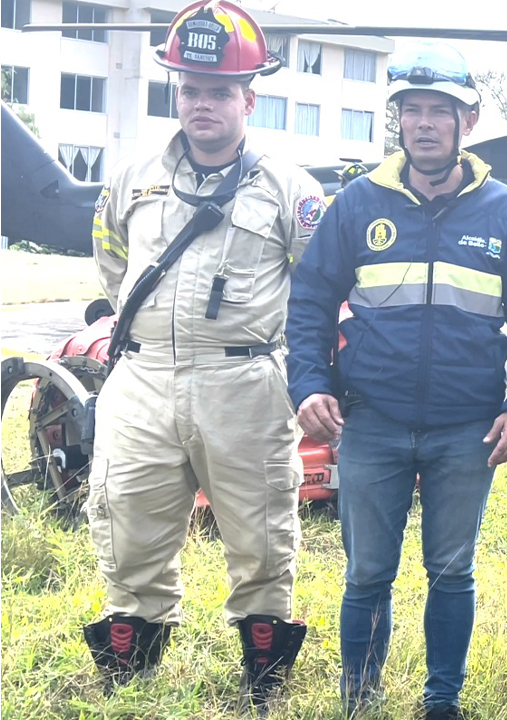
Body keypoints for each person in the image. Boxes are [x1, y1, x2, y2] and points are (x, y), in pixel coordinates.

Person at [285, 41, 507, 719]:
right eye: (413, 110)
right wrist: (308, 384)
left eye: (442, 110)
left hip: (468, 426)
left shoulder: (506, 210)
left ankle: (442, 703)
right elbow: (311, 302)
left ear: (468, 122)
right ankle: (360, 700)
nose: (426, 123)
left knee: (451, 571)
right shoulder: (357, 203)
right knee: (367, 574)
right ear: (399, 121)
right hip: (370, 421)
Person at [83, 0, 323, 712]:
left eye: (219, 91)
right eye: (190, 88)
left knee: (260, 531)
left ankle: (263, 676)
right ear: (175, 92)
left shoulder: (291, 188)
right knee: (128, 520)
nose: (202, 103)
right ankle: (133, 664)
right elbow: (111, 262)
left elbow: (313, 288)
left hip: (244, 380)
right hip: (145, 377)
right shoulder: (131, 178)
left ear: (249, 98)